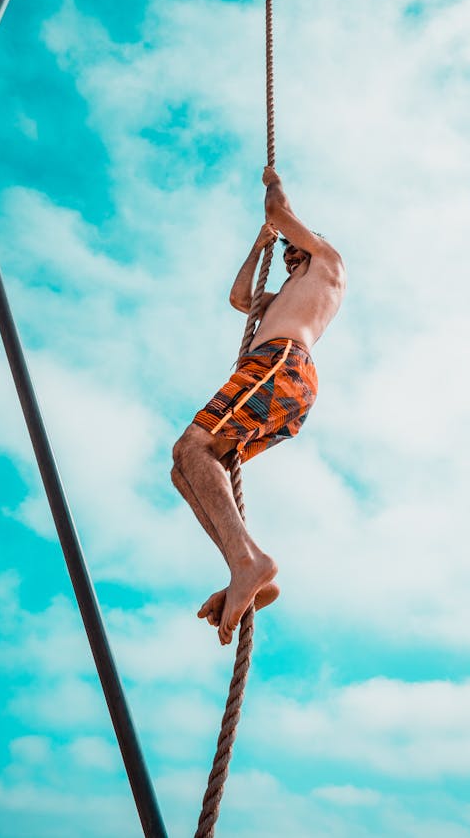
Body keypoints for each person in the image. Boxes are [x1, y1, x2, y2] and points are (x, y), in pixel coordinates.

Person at [172, 166, 346, 645]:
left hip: (281, 365)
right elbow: (240, 298)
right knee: (187, 467)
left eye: (296, 247)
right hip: (280, 377)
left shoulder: (328, 261)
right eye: (287, 253)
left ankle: (251, 561)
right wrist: (259, 246)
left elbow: (278, 210)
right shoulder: (283, 294)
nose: (291, 255)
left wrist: (274, 184)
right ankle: (245, 566)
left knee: (192, 447)